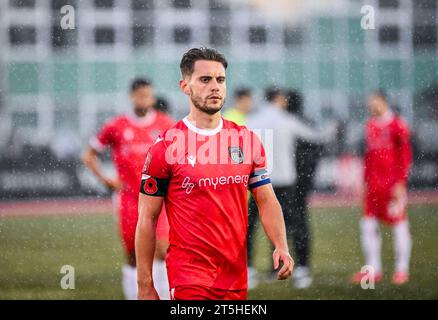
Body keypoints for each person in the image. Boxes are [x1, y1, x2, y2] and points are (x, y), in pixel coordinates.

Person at [135, 47, 294, 300]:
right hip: (188, 277)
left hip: (234, 275)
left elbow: (266, 200)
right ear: (185, 86)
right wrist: (145, 285)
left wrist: (281, 246)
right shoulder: (165, 147)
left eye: (220, 80)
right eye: (205, 79)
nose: (215, 87)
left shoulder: (247, 141)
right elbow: (146, 219)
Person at [82, 78, 174, 299]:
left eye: (148, 95)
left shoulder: (165, 124)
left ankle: (161, 295)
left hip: (159, 198)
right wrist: (106, 180)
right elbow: (89, 155)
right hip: (130, 199)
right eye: (141, 95)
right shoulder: (117, 126)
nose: (145, 99)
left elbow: (180, 156)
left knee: (162, 249)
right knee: (134, 254)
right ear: (132, 96)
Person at [247, 86, 336, 289]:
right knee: (294, 225)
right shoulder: (287, 120)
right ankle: (302, 270)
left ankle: (249, 271)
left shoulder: (253, 121)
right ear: (279, 99)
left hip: (259, 182)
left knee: (249, 227)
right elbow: (317, 136)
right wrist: (332, 127)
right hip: (285, 183)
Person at [352, 90, 413, 285]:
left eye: (374, 101)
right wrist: (364, 181)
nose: (371, 105)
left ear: (383, 101)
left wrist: (401, 182)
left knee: (399, 225)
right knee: (368, 226)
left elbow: (405, 156)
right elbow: (368, 157)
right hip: (373, 186)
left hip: (392, 186)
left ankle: (402, 270)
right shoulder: (369, 125)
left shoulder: (398, 125)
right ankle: (373, 270)